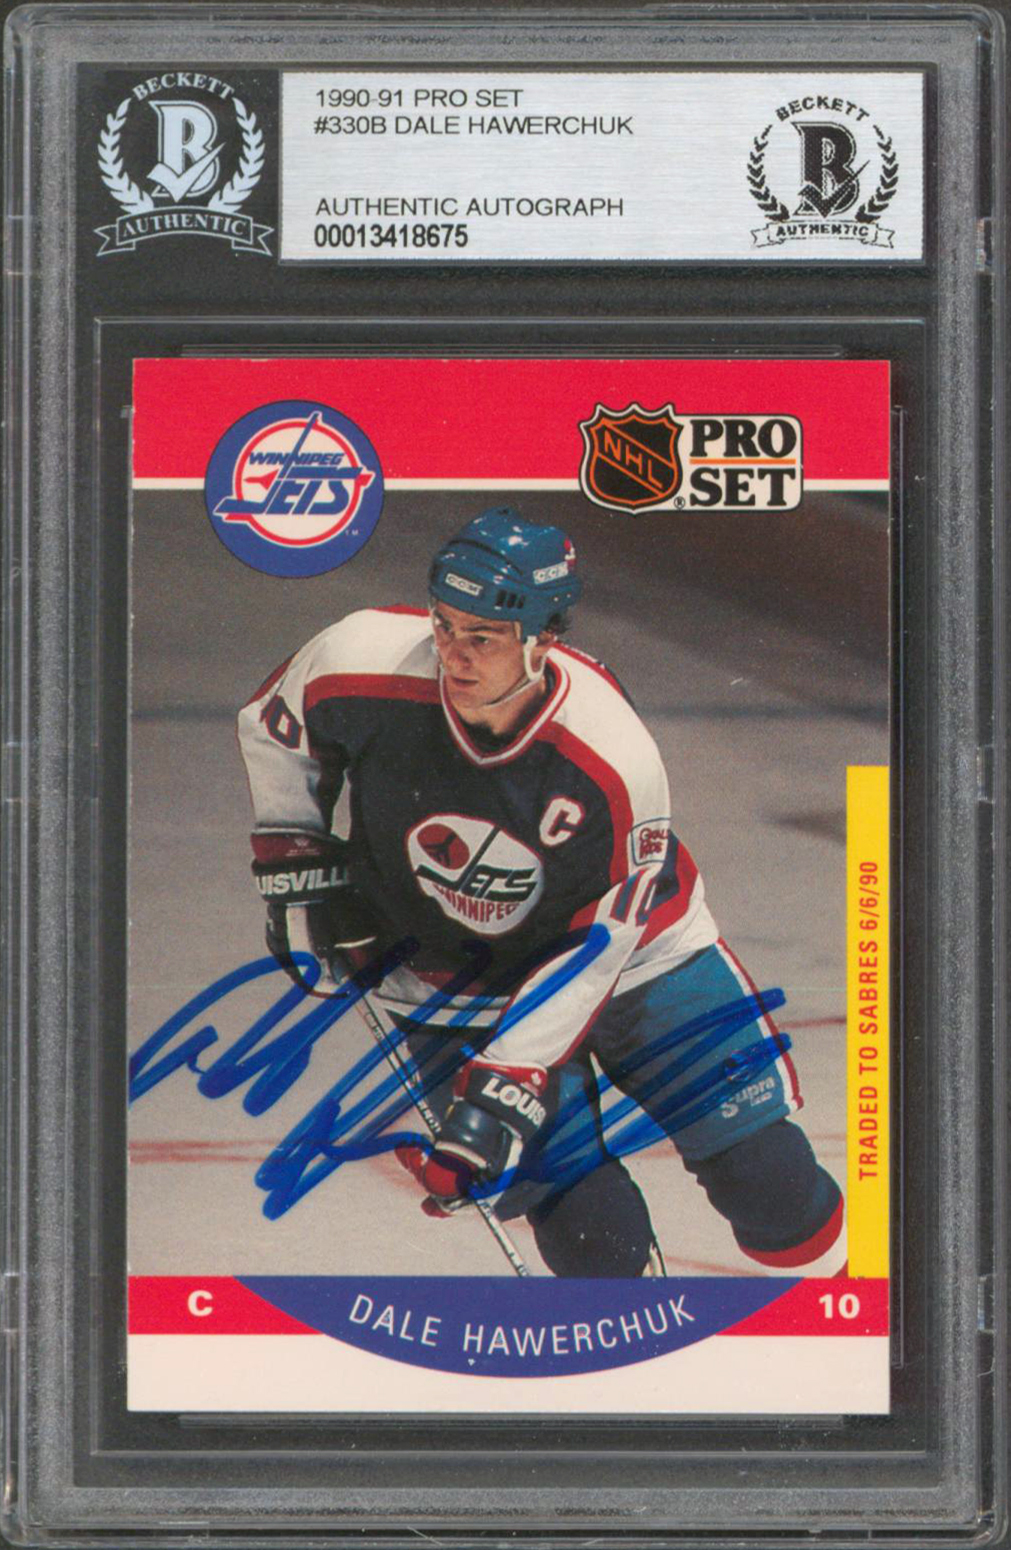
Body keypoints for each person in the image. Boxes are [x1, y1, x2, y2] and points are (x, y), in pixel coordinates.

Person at [238, 509, 844, 1277]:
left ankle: (860, 1323)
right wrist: (298, 865)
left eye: (483, 636)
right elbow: (275, 728)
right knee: (587, 1236)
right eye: (443, 624)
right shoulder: (356, 655)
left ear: (543, 637)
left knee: (769, 1187)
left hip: (638, 960)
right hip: (446, 971)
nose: (453, 655)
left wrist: (502, 1088)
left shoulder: (612, 753)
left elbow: (599, 947)